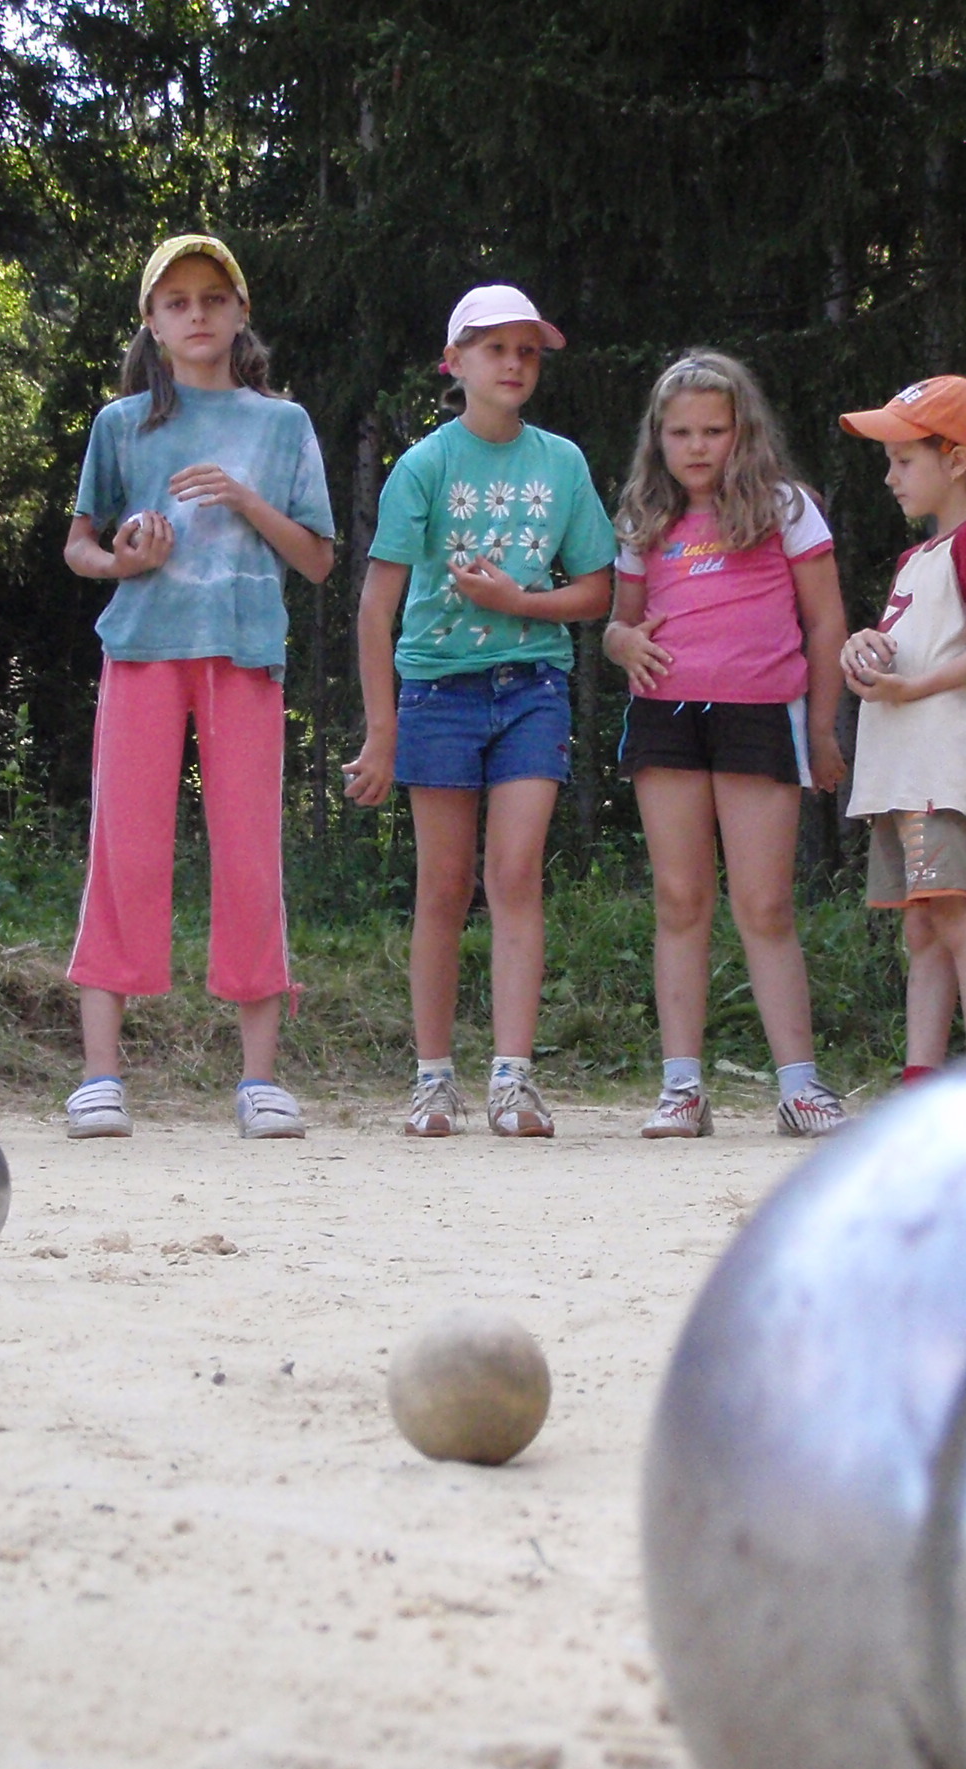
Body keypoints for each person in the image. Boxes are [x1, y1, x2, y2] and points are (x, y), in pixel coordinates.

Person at [59, 233, 337, 1142]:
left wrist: (245, 499)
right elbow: (80, 546)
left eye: (213, 298)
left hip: (244, 652)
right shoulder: (120, 422)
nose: (197, 315)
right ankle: (101, 1075)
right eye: (176, 302)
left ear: (241, 311)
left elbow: (319, 559)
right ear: (151, 321)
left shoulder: (282, 426)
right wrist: (123, 559)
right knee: (125, 852)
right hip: (142, 648)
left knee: (251, 855)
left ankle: (260, 1080)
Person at [344, 286, 616, 1139]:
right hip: (437, 691)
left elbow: (597, 590)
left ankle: (512, 1078)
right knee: (442, 885)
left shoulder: (562, 462)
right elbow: (375, 609)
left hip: (533, 686)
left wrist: (519, 603)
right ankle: (433, 1079)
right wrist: (381, 732)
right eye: (495, 348)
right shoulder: (424, 465)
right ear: (453, 362)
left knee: (516, 873)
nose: (514, 364)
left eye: (527, 351)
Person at [599, 350, 851, 1139]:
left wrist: (822, 727)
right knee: (680, 899)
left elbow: (826, 622)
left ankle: (801, 1088)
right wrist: (620, 643)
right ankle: (682, 1088)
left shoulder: (785, 506)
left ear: (744, 431)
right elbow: (619, 623)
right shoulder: (642, 514)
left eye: (714, 430)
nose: (698, 446)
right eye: (681, 433)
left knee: (765, 903)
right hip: (666, 716)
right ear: (658, 438)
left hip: (761, 714)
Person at [834, 376, 966, 1082]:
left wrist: (914, 687)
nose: (890, 477)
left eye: (903, 460)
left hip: (941, 773)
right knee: (923, 926)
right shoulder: (918, 557)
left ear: (955, 461)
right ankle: (922, 1082)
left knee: (955, 917)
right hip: (906, 773)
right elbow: (910, 650)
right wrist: (861, 649)